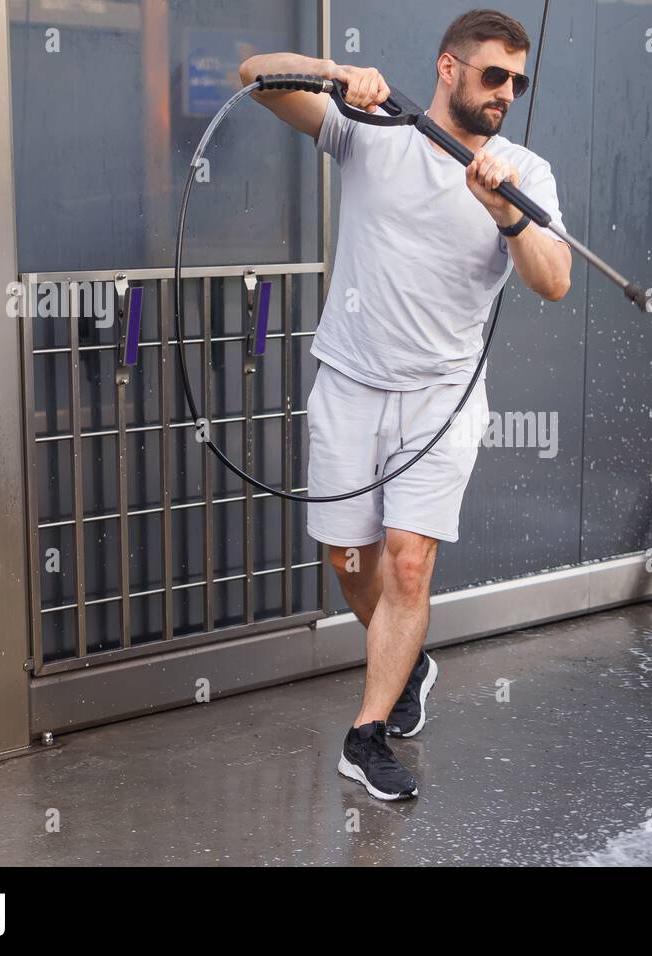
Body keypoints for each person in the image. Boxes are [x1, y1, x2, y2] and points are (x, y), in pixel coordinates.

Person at [239, 8, 572, 800]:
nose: (507, 94)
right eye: (494, 75)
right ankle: (411, 661)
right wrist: (335, 76)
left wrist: (507, 213)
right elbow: (253, 76)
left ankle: (367, 733)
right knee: (352, 563)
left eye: (517, 82)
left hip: (442, 399)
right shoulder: (369, 132)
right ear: (448, 68)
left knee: (409, 563)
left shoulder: (523, 170)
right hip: (350, 383)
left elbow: (554, 279)